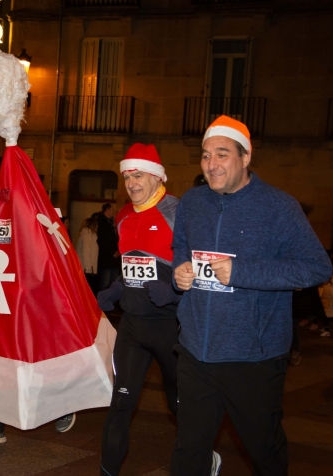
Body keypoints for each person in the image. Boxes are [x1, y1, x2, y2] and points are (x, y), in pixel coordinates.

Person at [170, 115, 332, 475]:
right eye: (206, 155)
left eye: (222, 154)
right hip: (196, 351)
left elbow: (317, 267)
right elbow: (180, 246)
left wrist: (243, 272)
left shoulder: (279, 207)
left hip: (253, 358)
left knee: (264, 451)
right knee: (189, 450)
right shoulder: (193, 202)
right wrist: (179, 270)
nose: (211, 164)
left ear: (246, 158)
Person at [97, 143, 184, 476]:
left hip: (170, 328)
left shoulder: (178, 212)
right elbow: (130, 266)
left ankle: (204, 459)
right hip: (133, 328)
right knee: (120, 404)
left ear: (157, 177)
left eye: (139, 175)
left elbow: (203, 273)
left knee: (181, 407)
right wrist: (116, 289)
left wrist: (175, 292)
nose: (132, 183)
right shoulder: (122, 216)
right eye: (127, 176)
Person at [97, 202, 120, 292]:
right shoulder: (102, 223)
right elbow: (102, 240)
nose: (113, 211)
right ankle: (101, 302)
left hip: (114, 257)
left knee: (113, 282)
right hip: (106, 258)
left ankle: (110, 301)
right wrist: (112, 252)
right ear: (107, 210)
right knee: (105, 283)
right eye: (112, 209)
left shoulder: (111, 223)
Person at [75, 216, 99, 295]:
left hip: (87, 270)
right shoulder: (87, 237)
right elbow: (85, 253)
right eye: (96, 225)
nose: (97, 226)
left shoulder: (88, 236)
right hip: (87, 271)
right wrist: (88, 269)